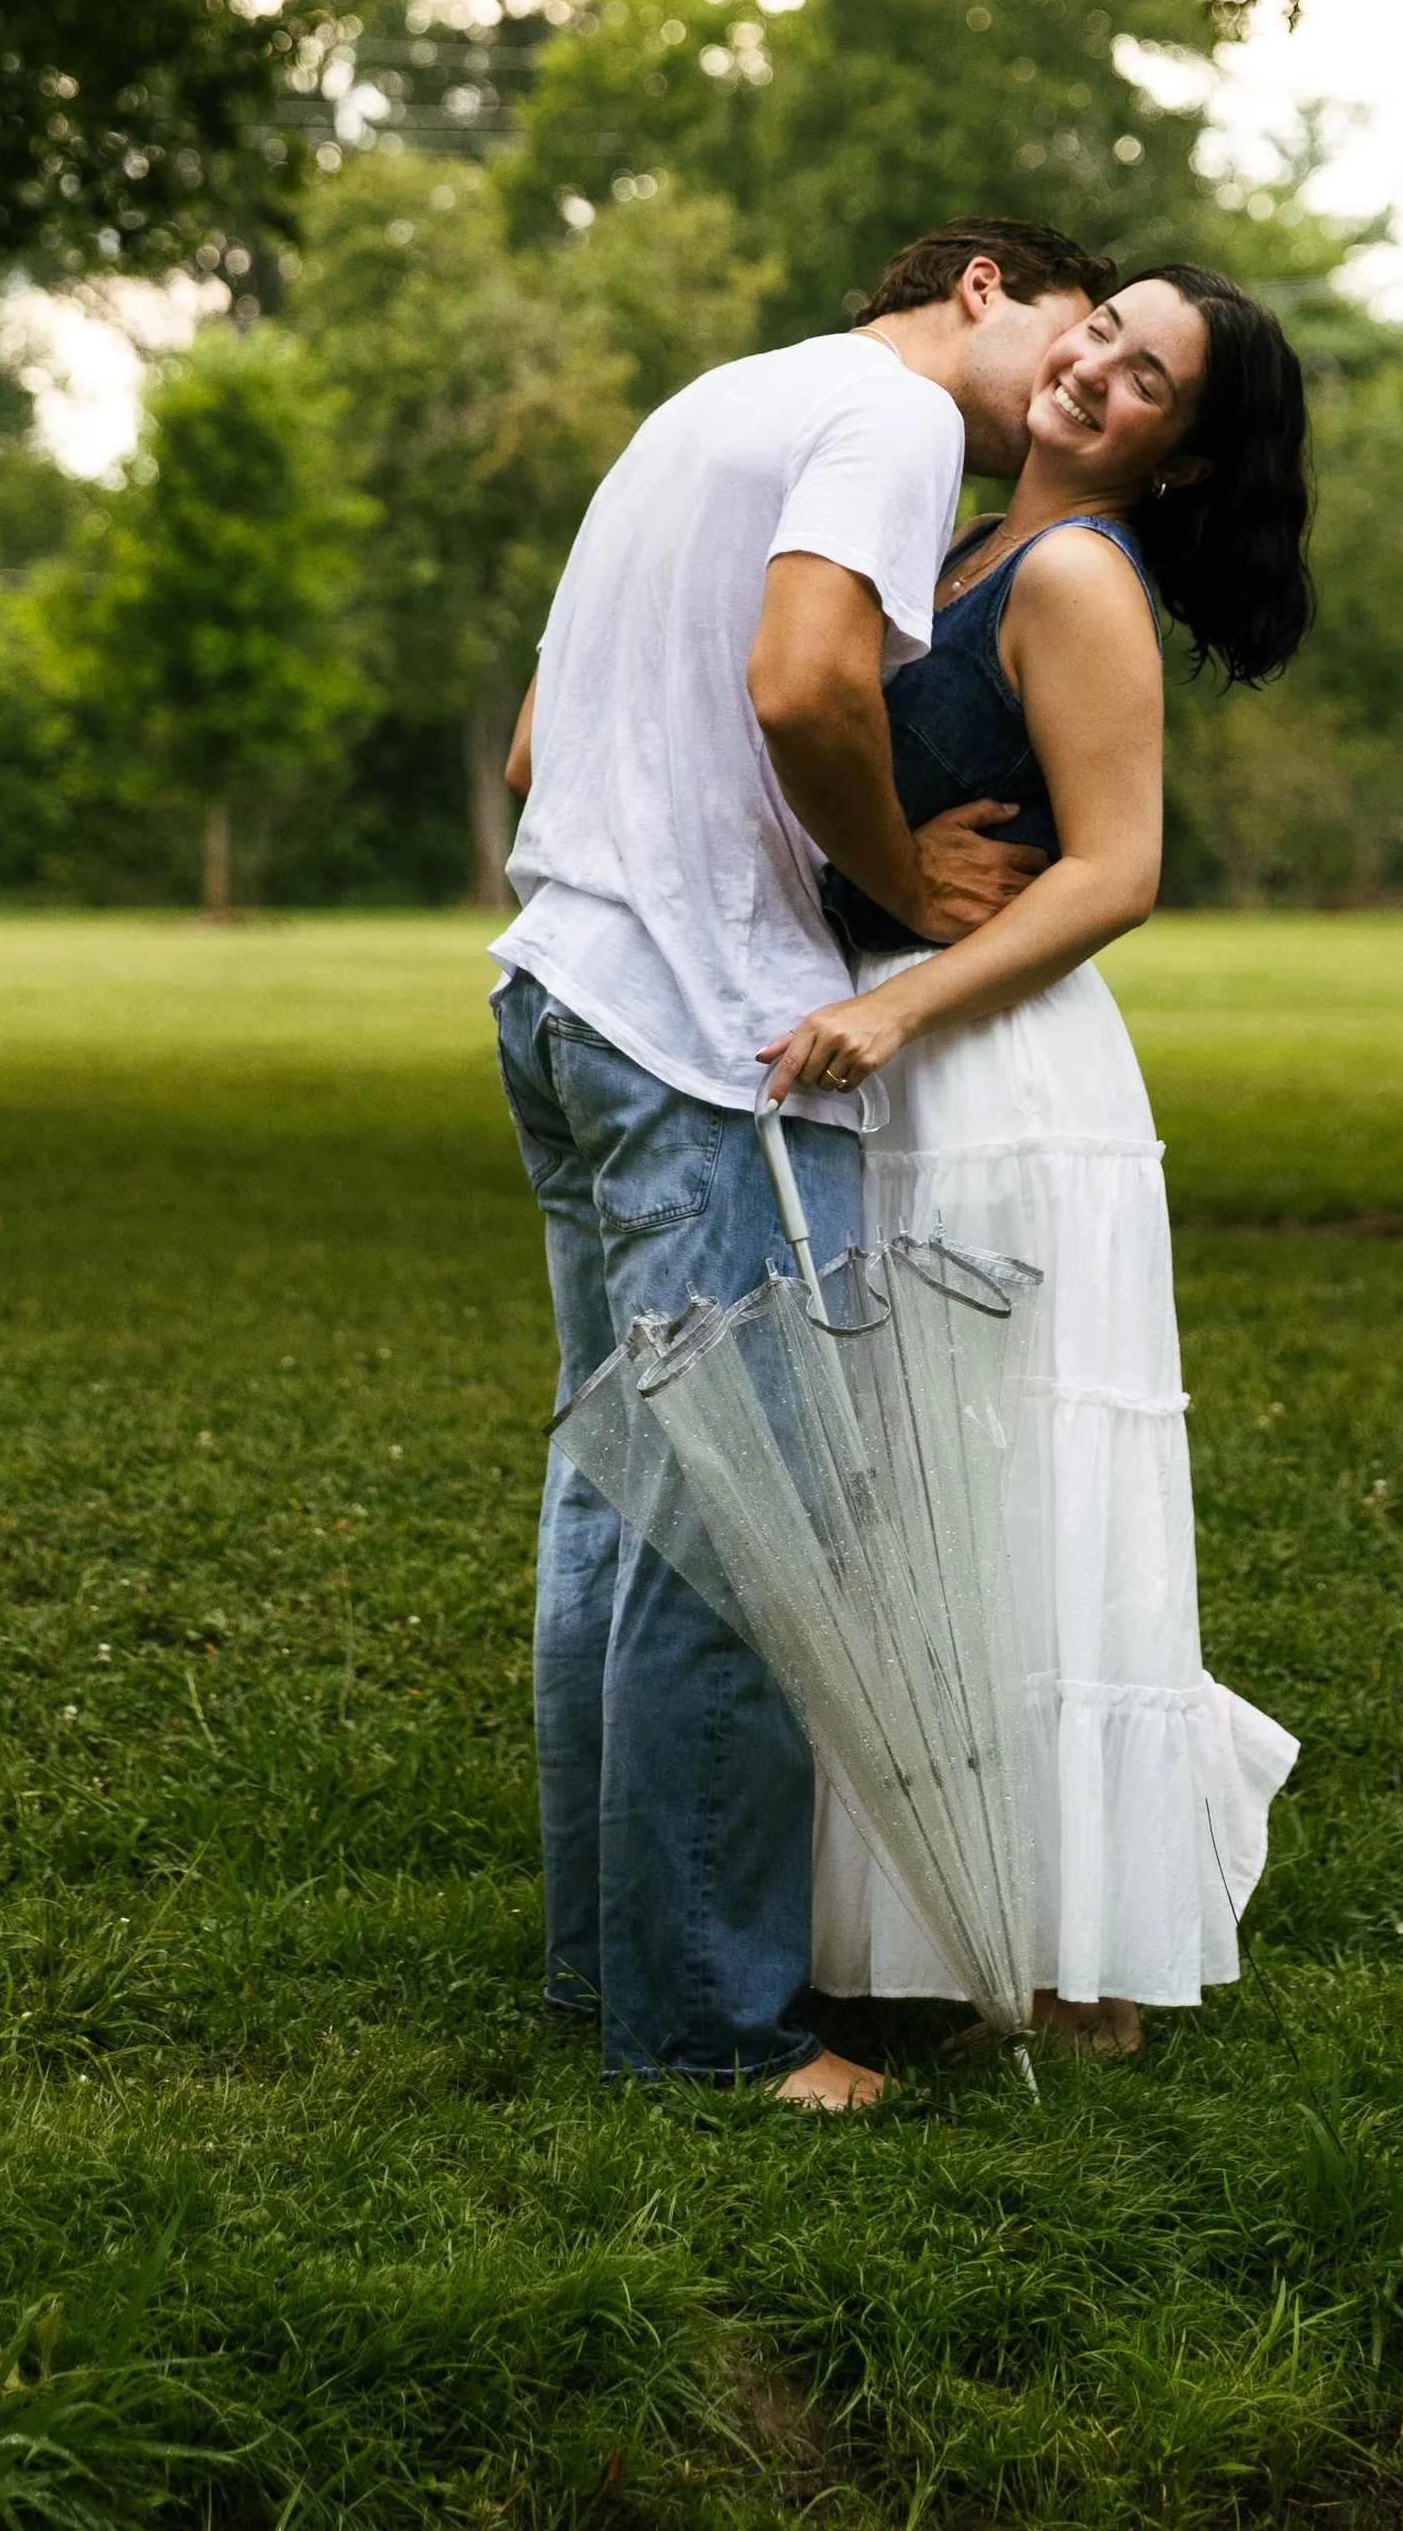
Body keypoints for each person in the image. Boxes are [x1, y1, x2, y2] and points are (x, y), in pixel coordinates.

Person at [491, 218, 1112, 2108]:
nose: (1058, 405)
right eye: (1076, 336)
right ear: (988, 283)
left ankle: (610, 1977)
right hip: (708, 1034)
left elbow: (530, 752)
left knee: (624, 1503)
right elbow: (803, 684)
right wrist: (906, 874)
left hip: (560, 991)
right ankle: (709, 2035)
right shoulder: (886, 412)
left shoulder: (710, 408)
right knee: (753, 1531)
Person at [762, 263, 1315, 2057]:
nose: (1092, 370)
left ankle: (1074, 1972)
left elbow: (1115, 869)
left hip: (1003, 1078)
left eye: (1146, 378)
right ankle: (938, 1928)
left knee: (1014, 1493)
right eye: (1101, 333)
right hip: (910, 1061)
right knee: (923, 1494)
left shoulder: (1075, 575)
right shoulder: (953, 550)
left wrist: (907, 1002)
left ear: (1178, 458)